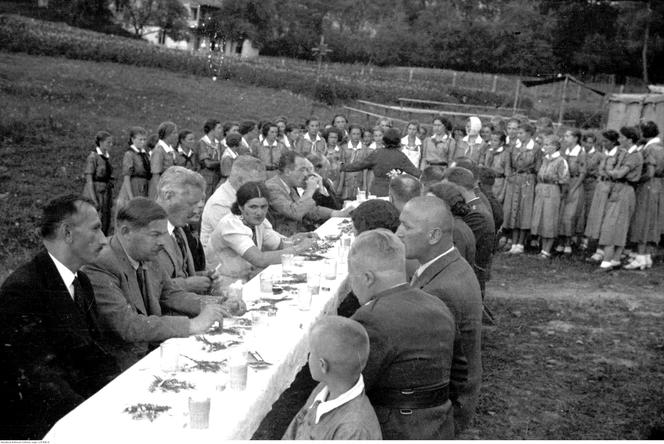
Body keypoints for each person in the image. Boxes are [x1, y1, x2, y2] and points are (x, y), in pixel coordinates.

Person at [0, 195, 119, 439]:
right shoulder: (22, 290)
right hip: (42, 425)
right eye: (96, 229)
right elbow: (38, 377)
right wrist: (93, 418)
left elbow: (92, 352)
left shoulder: (81, 282)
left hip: (77, 408)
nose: (104, 241)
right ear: (67, 233)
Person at [83, 198, 232, 370]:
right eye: (155, 235)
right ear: (125, 232)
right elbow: (129, 325)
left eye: (163, 234)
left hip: (153, 352)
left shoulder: (145, 254)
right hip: (121, 366)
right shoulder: (100, 264)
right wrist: (192, 324)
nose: (162, 242)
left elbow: (171, 294)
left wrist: (218, 306)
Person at [349, 229, 461, 439]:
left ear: (367, 278)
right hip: (441, 422)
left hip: (393, 429)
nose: (352, 288)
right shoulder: (437, 304)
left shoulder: (369, 318)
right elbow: (460, 372)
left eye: (351, 279)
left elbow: (350, 384)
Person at [397, 196, 481, 434]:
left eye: (407, 227)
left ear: (434, 236)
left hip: (441, 411)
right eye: (400, 223)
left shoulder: (441, 290)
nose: (399, 233)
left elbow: (432, 368)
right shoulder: (447, 265)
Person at [282, 316, 382, 440]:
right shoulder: (324, 388)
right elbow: (296, 427)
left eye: (311, 352)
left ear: (323, 365)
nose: (309, 357)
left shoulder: (354, 430)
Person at [206, 181, 315, 287]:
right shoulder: (231, 225)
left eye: (264, 207)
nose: (259, 212)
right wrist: (299, 248)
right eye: (253, 207)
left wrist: (299, 238)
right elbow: (259, 259)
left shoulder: (258, 221)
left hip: (247, 280)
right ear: (240, 207)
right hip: (222, 285)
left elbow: (280, 245)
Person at [153, 166, 219, 294]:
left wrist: (202, 277)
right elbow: (148, 287)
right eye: (191, 204)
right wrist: (187, 284)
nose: (196, 210)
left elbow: (178, 274)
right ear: (168, 196)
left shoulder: (179, 230)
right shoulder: (147, 232)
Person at [265, 151, 349, 236]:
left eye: (306, 170)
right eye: (302, 170)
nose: (306, 174)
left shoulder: (290, 187)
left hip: (298, 236)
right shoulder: (272, 187)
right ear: (287, 171)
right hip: (284, 241)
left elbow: (310, 210)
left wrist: (336, 213)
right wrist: (309, 191)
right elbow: (294, 212)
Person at [595, 126, 643, 270]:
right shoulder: (625, 153)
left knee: (612, 225)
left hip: (625, 190)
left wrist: (608, 171)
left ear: (629, 139)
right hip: (619, 189)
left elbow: (620, 173)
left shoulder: (634, 155)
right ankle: (614, 259)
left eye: (622, 137)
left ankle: (607, 261)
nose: (620, 140)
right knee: (616, 224)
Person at [200, 155, 266, 248]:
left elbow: (267, 234)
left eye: (263, 182)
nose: (262, 187)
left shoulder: (251, 199)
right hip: (223, 261)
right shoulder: (220, 204)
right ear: (240, 181)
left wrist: (291, 243)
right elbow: (244, 248)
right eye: (258, 183)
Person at [625, 121, 664, 269]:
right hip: (658, 186)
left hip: (648, 186)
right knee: (651, 220)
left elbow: (650, 172)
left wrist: (635, 180)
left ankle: (641, 257)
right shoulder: (660, 146)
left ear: (643, 133)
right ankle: (646, 256)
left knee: (642, 219)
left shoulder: (650, 149)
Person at [341, 128, 421, 197]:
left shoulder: (377, 153)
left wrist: (342, 167)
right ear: (398, 141)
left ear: (384, 140)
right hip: (393, 191)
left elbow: (358, 165)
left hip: (376, 190)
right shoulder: (401, 156)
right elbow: (416, 172)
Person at [585, 130, 622, 263]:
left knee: (606, 218)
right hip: (600, 186)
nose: (603, 143)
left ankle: (603, 250)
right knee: (597, 216)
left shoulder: (619, 154)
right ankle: (598, 249)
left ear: (613, 142)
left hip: (609, 187)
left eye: (606, 141)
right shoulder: (605, 153)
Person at [531, 136, 570, 258]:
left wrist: (561, 194)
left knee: (550, 219)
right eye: (545, 144)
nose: (545, 147)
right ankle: (542, 248)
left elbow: (564, 179)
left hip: (552, 191)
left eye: (548, 144)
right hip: (541, 189)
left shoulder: (560, 161)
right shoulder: (544, 159)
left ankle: (547, 250)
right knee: (541, 217)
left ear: (555, 146)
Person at [504, 123, 539, 254]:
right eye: (518, 133)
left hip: (528, 181)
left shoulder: (536, 148)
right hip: (515, 180)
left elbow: (538, 167)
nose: (518, 136)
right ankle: (513, 243)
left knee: (525, 210)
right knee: (514, 209)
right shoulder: (514, 147)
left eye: (521, 133)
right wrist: (510, 176)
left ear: (529, 133)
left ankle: (521, 243)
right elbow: (508, 164)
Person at [425, 182, 477, 268]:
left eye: (431, 203)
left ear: (447, 205)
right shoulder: (454, 225)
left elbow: (453, 269)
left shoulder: (454, 231)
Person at [558, 129, 586, 254]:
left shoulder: (581, 152)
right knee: (561, 213)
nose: (565, 138)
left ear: (575, 138)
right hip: (565, 183)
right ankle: (561, 242)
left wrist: (574, 188)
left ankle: (569, 243)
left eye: (568, 136)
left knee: (570, 215)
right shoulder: (565, 152)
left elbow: (582, 172)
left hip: (574, 184)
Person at [83, 130, 114, 234]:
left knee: (105, 219)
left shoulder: (106, 157)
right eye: (108, 142)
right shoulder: (93, 157)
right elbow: (89, 179)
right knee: (95, 219)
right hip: (96, 192)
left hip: (105, 193)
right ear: (100, 142)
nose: (111, 145)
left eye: (111, 142)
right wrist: (93, 199)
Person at [116, 127, 151, 216]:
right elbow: (127, 177)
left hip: (143, 186)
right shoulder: (129, 154)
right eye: (140, 140)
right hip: (133, 186)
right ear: (133, 139)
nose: (143, 142)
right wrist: (131, 197)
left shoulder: (145, 154)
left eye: (144, 139)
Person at [579, 132, 603, 251]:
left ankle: (586, 239)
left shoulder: (598, 155)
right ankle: (576, 237)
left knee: (589, 210)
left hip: (591, 183)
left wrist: (594, 173)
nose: (588, 144)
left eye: (591, 142)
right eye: (586, 142)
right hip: (579, 182)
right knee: (579, 209)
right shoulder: (579, 153)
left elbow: (601, 170)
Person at [337, 124, 370, 201]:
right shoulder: (343, 148)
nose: (356, 136)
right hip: (347, 179)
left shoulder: (365, 149)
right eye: (353, 134)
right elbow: (342, 167)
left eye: (358, 134)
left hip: (359, 179)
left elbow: (365, 168)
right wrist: (340, 185)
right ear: (349, 135)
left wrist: (365, 185)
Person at [149, 121, 178, 200]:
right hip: (160, 188)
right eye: (174, 133)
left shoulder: (170, 150)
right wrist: (161, 192)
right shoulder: (159, 150)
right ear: (167, 135)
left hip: (168, 186)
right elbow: (155, 174)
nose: (177, 135)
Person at [198, 119, 223, 200]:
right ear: (212, 130)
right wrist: (222, 162)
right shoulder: (202, 143)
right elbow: (207, 163)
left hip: (217, 179)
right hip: (206, 180)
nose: (221, 130)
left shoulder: (218, 143)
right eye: (219, 128)